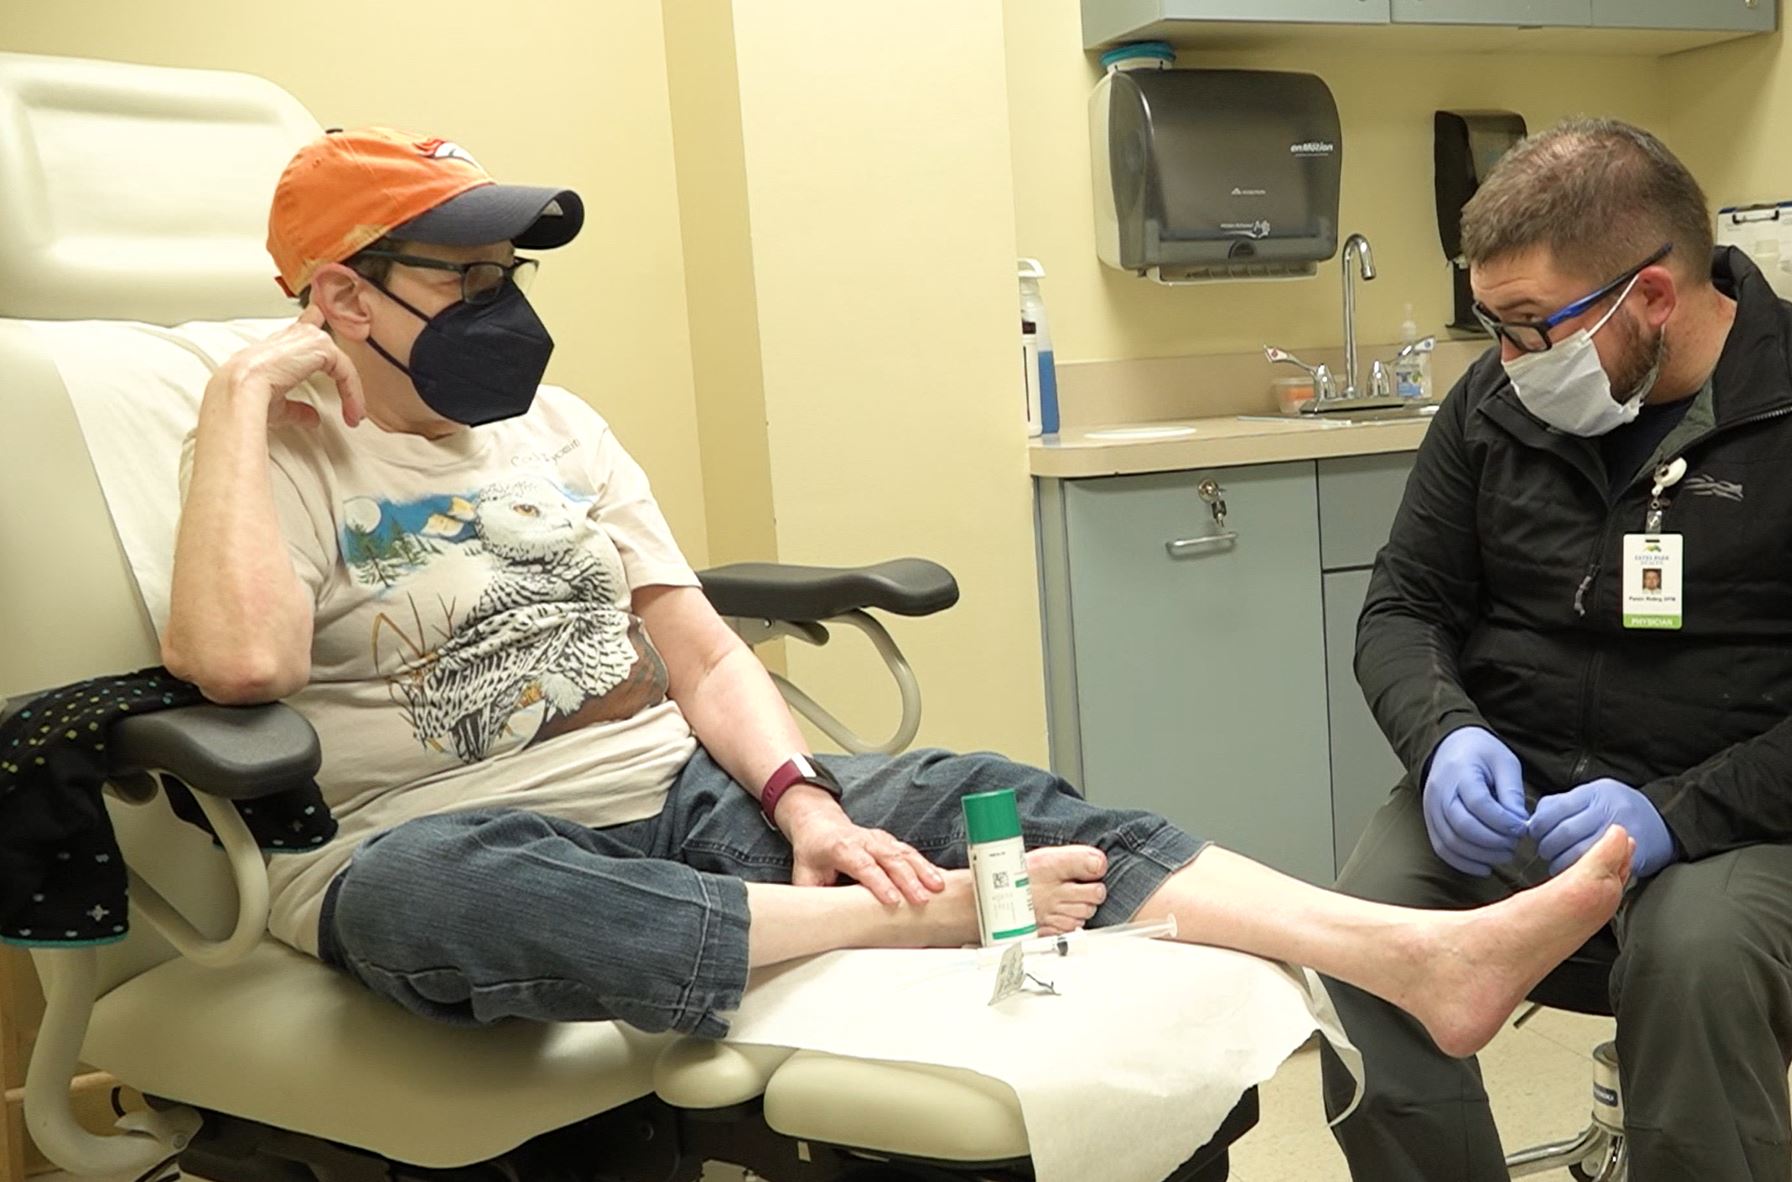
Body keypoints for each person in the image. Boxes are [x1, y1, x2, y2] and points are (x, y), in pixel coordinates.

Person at [160, 126, 1636, 1052]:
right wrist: (237, 400)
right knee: (435, 894)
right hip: (435, 845)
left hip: (676, 809)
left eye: (511, 280)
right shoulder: (265, 453)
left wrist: (807, 803)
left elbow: (698, 646)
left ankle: (1416, 955)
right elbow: (234, 669)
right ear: (341, 298)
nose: (506, 313)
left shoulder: (557, 425)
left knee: (981, 789)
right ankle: (916, 921)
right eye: (463, 283)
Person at [1320, 118, 1792, 1182]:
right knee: (1362, 936)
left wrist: (1670, 815)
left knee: (1696, 958)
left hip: (1742, 808)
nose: (1508, 360)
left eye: (1532, 326)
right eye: (1493, 324)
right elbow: (1404, 604)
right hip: (1517, 781)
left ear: (1653, 298)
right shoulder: (1495, 400)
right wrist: (1443, 738)